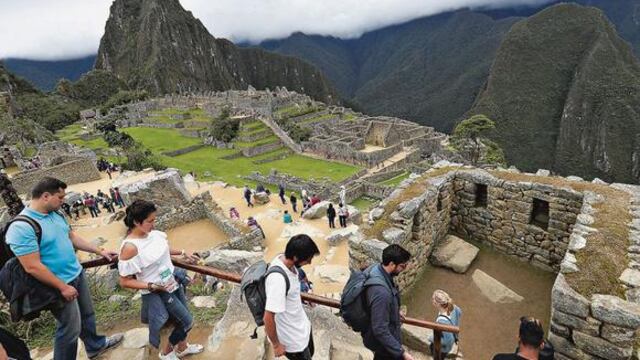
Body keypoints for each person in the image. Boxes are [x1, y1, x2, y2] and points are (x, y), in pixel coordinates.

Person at [6, 177, 123, 360]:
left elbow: (72, 237)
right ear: (45, 196)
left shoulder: (56, 214)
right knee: (69, 329)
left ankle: (95, 346)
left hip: (75, 273)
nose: (63, 201)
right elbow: (32, 266)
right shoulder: (22, 228)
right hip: (57, 284)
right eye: (60, 197)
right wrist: (62, 287)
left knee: (87, 314)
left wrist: (99, 251)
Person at [118, 200, 204, 360]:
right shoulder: (130, 247)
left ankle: (183, 347)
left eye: (154, 219)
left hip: (172, 281)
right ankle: (166, 352)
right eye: (150, 221)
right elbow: (124, 281)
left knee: (182, 318)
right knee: (187, 322)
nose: (153, 223)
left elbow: (162, 249)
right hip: (158, 290)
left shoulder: (152, 234)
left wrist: (182, 253)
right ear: (137, 222)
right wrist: (151, 285)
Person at [264, 235, 320, 360]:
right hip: (292, 341)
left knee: (311, 353)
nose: (310, 262)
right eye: (308, 259)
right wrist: (276, 345)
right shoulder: (277, 279)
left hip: (301, 328)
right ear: (295, 257)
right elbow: (268, 317)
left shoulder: (287, 262)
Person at [362, 244, 413, 360]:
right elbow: (380, 329)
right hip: (385, 346)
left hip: (381, 342)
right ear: (391, 264)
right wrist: (402, 353)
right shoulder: (381, 293)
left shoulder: (376, 270)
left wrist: (394, 311)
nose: (404, 269)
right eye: (402, 266)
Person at [428, 290, 461, 357]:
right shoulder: (453, 307)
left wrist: (431, 338)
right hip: (453, 335)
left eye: (433, 300)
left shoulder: (441, 321)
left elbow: (448, 340)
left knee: (436, 354)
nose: (432, 301)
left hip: (443, 349)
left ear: (437, 304)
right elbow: (459, 312)